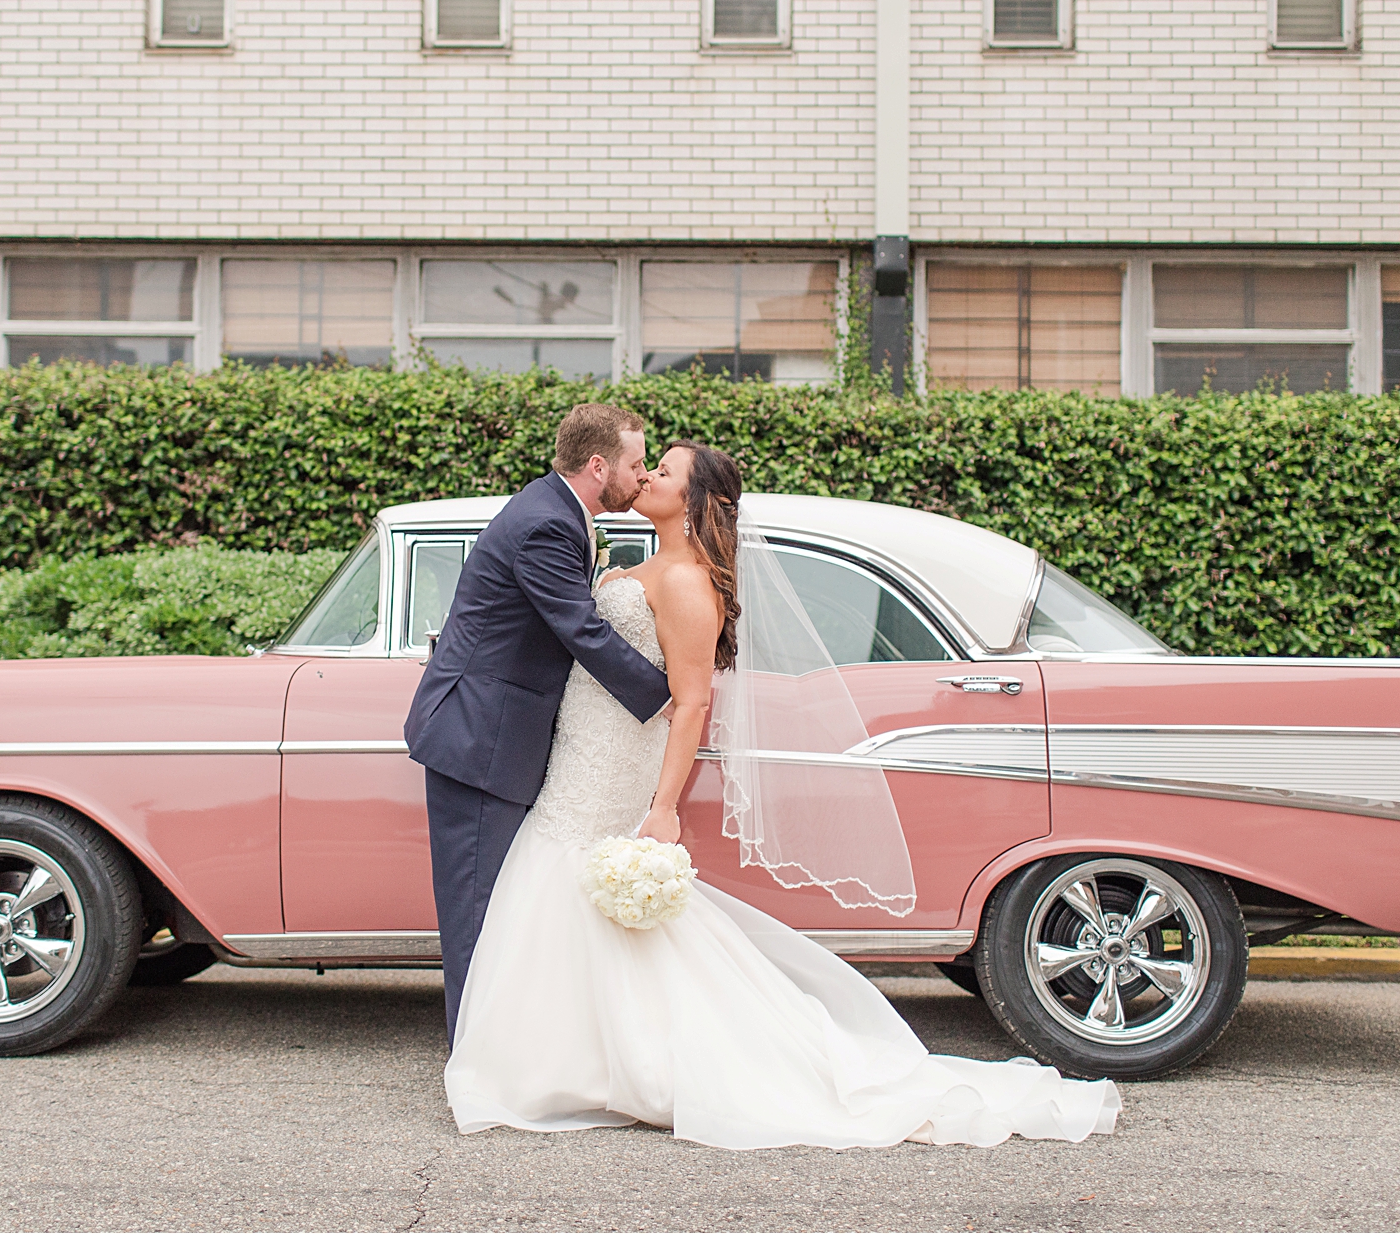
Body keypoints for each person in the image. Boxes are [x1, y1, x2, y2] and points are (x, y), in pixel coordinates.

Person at [443, 439, 1123, 1150]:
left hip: (613, 760)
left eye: (664, 472)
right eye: (647, 466)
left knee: (575, 882)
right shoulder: (637, 562)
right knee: (573, 898)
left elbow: (694, 703)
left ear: (695, 500)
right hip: (585, 744)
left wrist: (665, 807)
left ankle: (602, 1065)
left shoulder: (684, 581)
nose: (646, 476)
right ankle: (581, 1059)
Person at [405, 402, 674, 1044]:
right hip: (479, 735)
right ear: (598, 464)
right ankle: (472, 1060)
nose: (641, 477)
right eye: (636, 464)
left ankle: (499, 1049)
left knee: (502, 907)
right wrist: (669, 698)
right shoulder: (547, 525)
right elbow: (579, 628)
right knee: (477, 909)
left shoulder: (558, 512)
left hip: (501, 731)